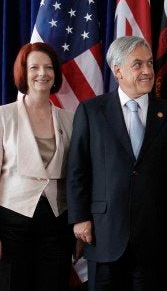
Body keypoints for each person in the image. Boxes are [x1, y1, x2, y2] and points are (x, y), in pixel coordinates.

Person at [66, 36, 167, 290]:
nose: (148, 71)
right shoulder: (91, 111)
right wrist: (80, 217)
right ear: (117, 71)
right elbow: (78, 169)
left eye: (149, 63)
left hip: (153, 236)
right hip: (104, 232)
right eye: (137, 64)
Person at [0, 42, 75, 291]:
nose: (42, 73)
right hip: (13, 221)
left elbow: (77, 175)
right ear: (24, 73)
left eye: (48, 67)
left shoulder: (70, 119)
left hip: (57, 221)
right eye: (34, 67)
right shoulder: (3, 116)